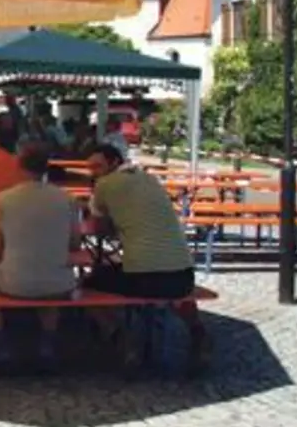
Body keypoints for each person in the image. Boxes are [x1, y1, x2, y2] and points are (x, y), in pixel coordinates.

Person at [85, 143, 209, 372]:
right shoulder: (150, 180)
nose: (93, 171)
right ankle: (197, 332)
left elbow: (98, 228)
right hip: (183, 275)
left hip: (142, 277)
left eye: (97, 166)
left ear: (114, 163)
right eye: (90, 167)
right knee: (173, 284)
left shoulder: (103, 185)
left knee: (88, 284)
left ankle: (120, 336)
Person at [0, 140, 82, 366]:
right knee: (51, 285)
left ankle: (0, 342)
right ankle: (47, 343)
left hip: (13, 283)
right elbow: (75, 242)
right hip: (59, 283)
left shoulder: (3, 199)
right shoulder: (68, 199)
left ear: (19, 165)